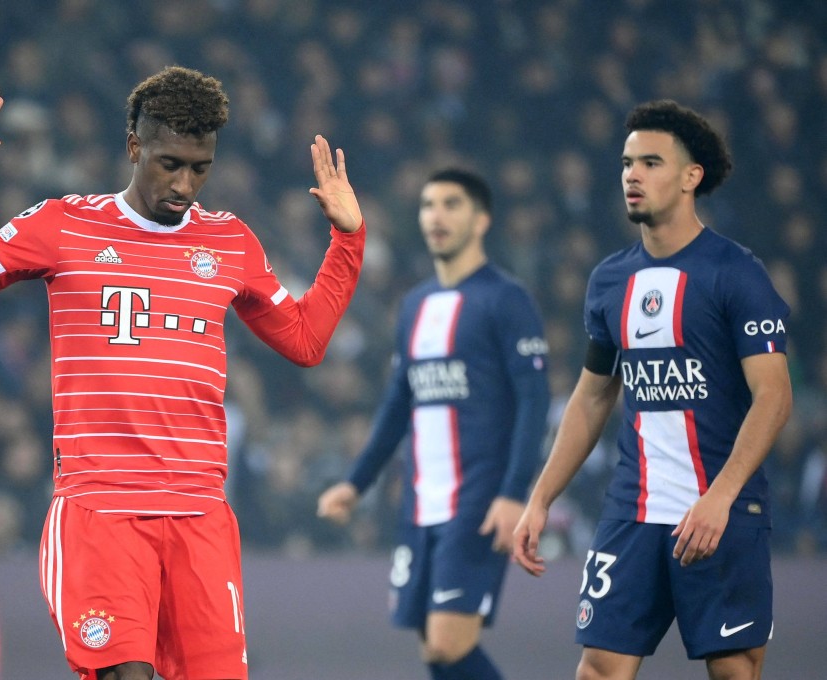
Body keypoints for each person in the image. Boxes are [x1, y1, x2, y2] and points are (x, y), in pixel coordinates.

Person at [0, 66, 365, 680]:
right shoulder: (62, 225)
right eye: (169, 163)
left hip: (201, 514)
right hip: (103, 510)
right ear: (133, 147)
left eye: (200, 168)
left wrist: (348, 238)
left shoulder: (230, 242)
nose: (185, 184)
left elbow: (305, 341)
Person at [513, 100, 792, 680]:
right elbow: (592, 398)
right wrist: (541, 498)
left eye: (651, 162)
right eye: (626, 163)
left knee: (735, 672)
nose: (632, 175)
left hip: (723, 508)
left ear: (692, 177)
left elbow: (774, 397)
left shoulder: (735, 272)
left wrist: (721, 496)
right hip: (633, 511)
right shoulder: (610, 280)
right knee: (597, 670)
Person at [317, 168, 550, 680]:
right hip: (421, 504)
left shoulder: (506, 299)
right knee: (433, 651)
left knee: (447, 646)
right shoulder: (415, 305)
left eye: (451, 204)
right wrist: (355, 484)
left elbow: (535, 402)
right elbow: (398, 404)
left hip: (479, 501)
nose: (436, 216)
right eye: (428, 206)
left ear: (482, 219)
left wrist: (516, 494)